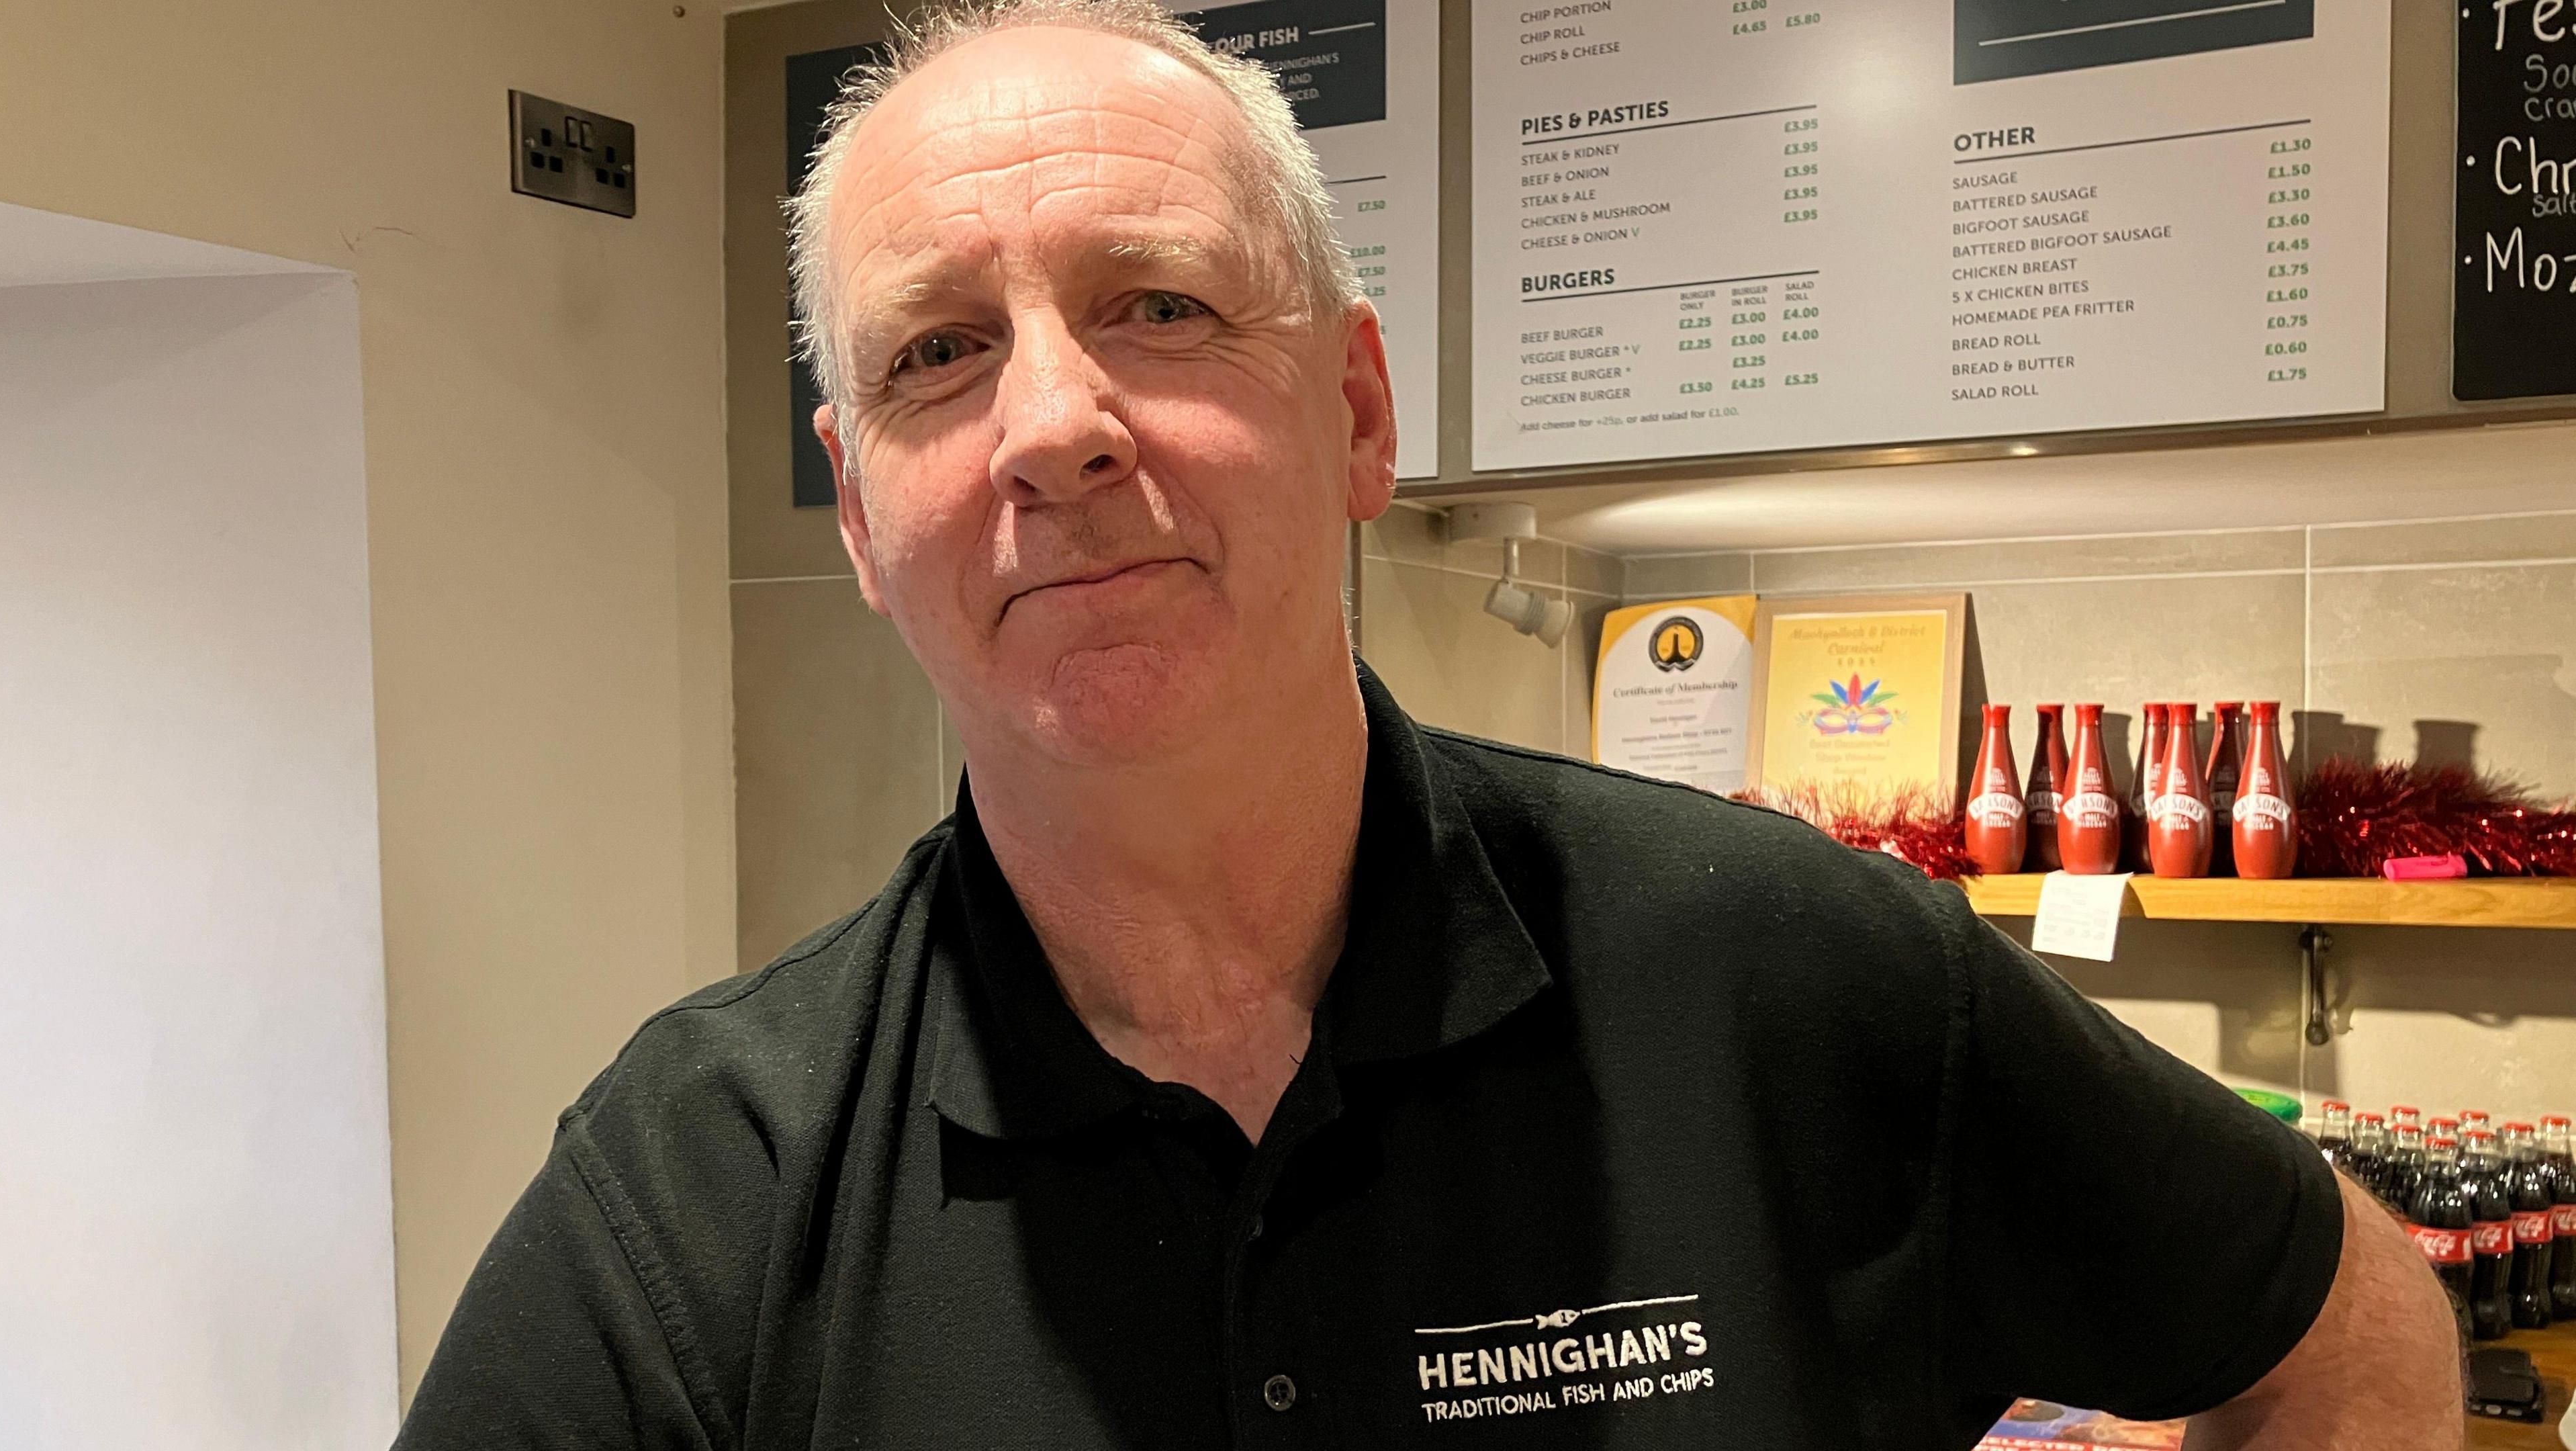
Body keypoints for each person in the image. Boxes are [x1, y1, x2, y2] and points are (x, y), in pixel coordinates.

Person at [395, 1, 2459, 1446]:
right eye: (940, 353)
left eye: (1160, 304)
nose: (1052, 427)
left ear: (1358, 410)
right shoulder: (701, 1189)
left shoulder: (1779, 974)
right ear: (861, 513)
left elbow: (2348, 1320)